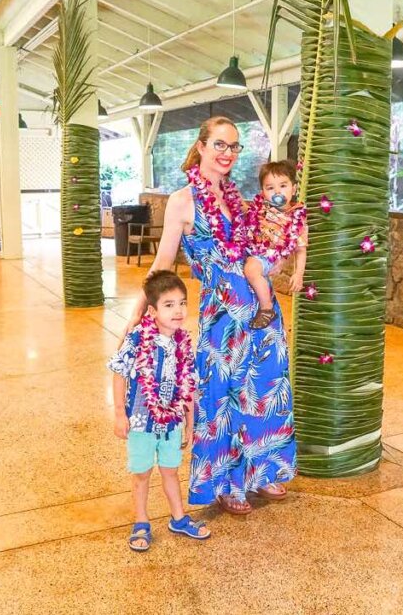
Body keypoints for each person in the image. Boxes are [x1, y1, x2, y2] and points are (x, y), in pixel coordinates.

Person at [126, 116, 296, 516]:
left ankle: (261, 471)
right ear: (201, 146)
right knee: (223, 396)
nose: (227, 154)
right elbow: (164, 261)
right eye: (219, 144)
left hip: (261, 310)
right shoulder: (183, 200)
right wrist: (140, 313)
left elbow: (263, 247)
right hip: (222, 316)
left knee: (266, 390)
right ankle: (226, 482)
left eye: (234, 147)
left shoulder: (239, 198)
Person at [108, 270, 210, 552]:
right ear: (152, 311)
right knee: (141, 473)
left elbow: (189, 385)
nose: (178, 311)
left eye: (181, 303)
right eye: (169, 305)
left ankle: (178, 518)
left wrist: (189, 423)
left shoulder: (184, 343)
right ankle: (141, 521)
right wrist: (119, 413)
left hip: (172, 421)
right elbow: (119, 373)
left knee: (170, 470)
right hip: (141, 421)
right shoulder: (138, 338)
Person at [243, 161, 308, 329]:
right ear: (263, 193)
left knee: (251, 269)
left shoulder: (297, 219)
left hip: (268, 257)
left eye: (283, 185)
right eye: (270, 188)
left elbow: (300, 250)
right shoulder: (261, 209)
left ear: (293, 189)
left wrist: (298, 274)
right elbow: (245, 213)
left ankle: (267, 309)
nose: (277, 191)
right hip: (253, 249)